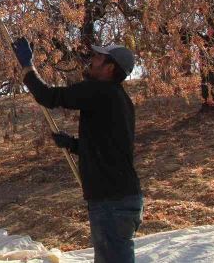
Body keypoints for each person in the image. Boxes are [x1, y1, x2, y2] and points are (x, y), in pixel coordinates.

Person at [11, 38, 143, 263]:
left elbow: (48, 97)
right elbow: (109, 148)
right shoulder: (119, 99)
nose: (92, 60)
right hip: (122, 198)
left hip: (111, 202)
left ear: (110, 68)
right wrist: (72, 144)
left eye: (98, 58)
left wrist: (27, 66)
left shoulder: (100, 91)